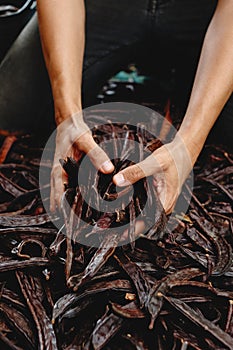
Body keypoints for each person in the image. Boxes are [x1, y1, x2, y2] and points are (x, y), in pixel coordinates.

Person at [0, 0, 232, 214]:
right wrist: (67, 116)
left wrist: (189, 143)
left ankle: (181, 83)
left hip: (207, 11)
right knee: (13, 109)